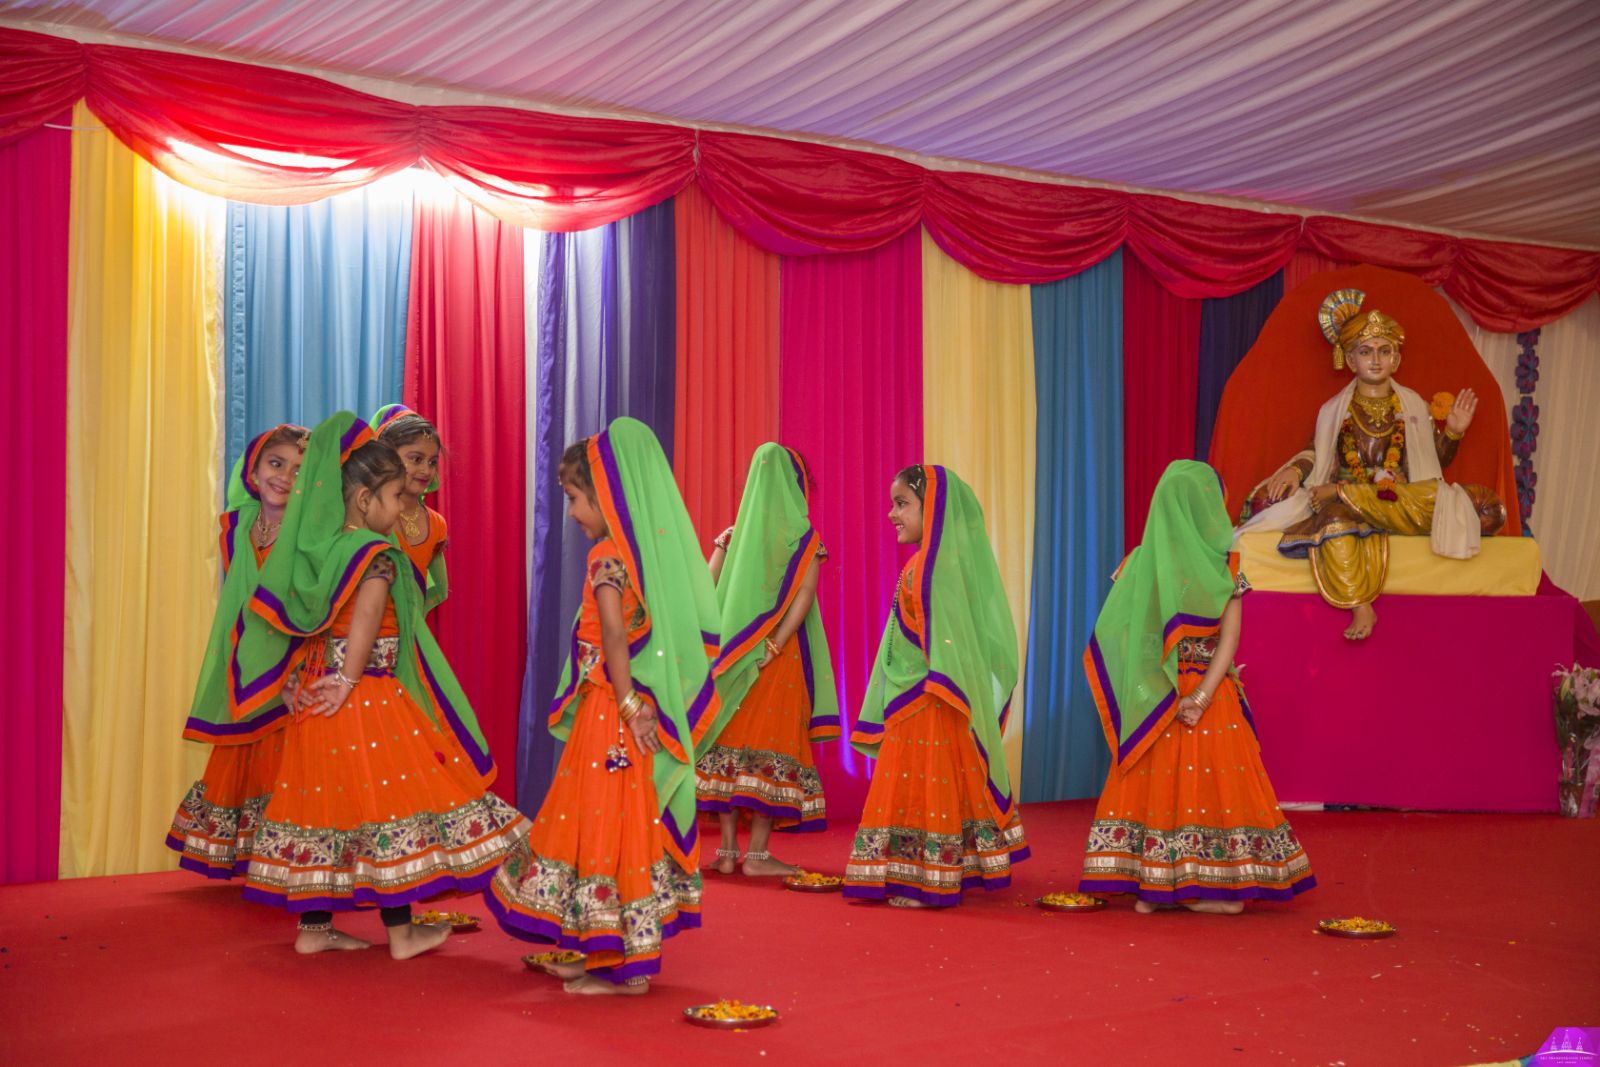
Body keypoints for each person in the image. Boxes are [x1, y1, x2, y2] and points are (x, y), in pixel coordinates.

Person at [242, 412, 527, 956]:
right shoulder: (376, 554)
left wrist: (296, 680)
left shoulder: (320, 549)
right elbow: (369, 618)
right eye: (395, 496)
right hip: (364, 692)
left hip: (314, 695)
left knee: (324, 811)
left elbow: (300, 620)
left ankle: (313, 930)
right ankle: (402, 933)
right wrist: (350, 679)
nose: (401, 509)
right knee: (389, 810)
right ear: (364, 499)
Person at [486, 417, 720, 994]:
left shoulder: (606, 558)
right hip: (619, 705)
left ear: (605, 496)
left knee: (604, 820)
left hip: (610, 709)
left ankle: (620, 966)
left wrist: (629, 702)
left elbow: (615, 635)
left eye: (573, 498)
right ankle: (599, 946)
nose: (571, 512)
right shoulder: (644, 557)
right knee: (612, 819)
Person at [1082, 460, 1315, 912]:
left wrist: (1154, 690)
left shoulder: (1138, 563)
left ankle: (1154, 886)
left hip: (1157, 697)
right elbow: (1230, 641)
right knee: (1207, 791)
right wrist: (1202, 697)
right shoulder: (1225, 566)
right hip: (1210, 695)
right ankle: (1202, 887)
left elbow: (1119, 636)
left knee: (1159, 787)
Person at [1238, 289, 1505, 640]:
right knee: (1332, 519)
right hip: (1346, 501)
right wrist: (1294, 470)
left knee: (1465, 503)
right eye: (1366, 352)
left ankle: (1343, 496)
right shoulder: (1335, 410)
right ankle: (1360, 604)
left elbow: (1432, 463)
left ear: (1396, 359)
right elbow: (1317, 451)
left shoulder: (1413, 406)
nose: (1375, 360)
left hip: (1397, 498)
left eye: (1384, 351)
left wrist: (1453, 432)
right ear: (1351, 361)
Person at [844, 464, 1027, 908]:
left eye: (902, 504)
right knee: (941, 787)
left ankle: (926, 877)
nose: (892, 514)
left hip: (925, 699)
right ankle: (944, 869)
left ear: (935, 509)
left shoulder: (927, 567)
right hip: (939, 697)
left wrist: (920, 683)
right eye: (893, 504)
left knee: (924, 787)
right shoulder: (944, 564)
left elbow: (943, 642)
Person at [168, 425, 308, 879]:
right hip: (247, 660)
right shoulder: (238, 528)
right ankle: (254, 859)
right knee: (246, 749)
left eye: (299, 470)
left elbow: (312, 605)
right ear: (253, 468)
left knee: (285, 761)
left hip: (294, 665)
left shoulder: (308, 535)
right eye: (276, 463)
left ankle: (287, 864)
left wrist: (295, 669)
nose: (284, 476)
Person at [697, 444, 838, 875]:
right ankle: (757, 855)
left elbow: (705, 592)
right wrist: (773, 645)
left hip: (733, 657)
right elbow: (804, 598)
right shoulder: (803, 541)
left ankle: (726, 853)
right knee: (769, 747)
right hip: (779, 659)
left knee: (728, 745)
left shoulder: (732, 537)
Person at [372, 404, 448, 613]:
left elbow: (431, 591)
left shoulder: (436, 524)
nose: (426, 470)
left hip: (409, 630)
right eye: (416, 459)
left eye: (432, 462)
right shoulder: (365, 514)